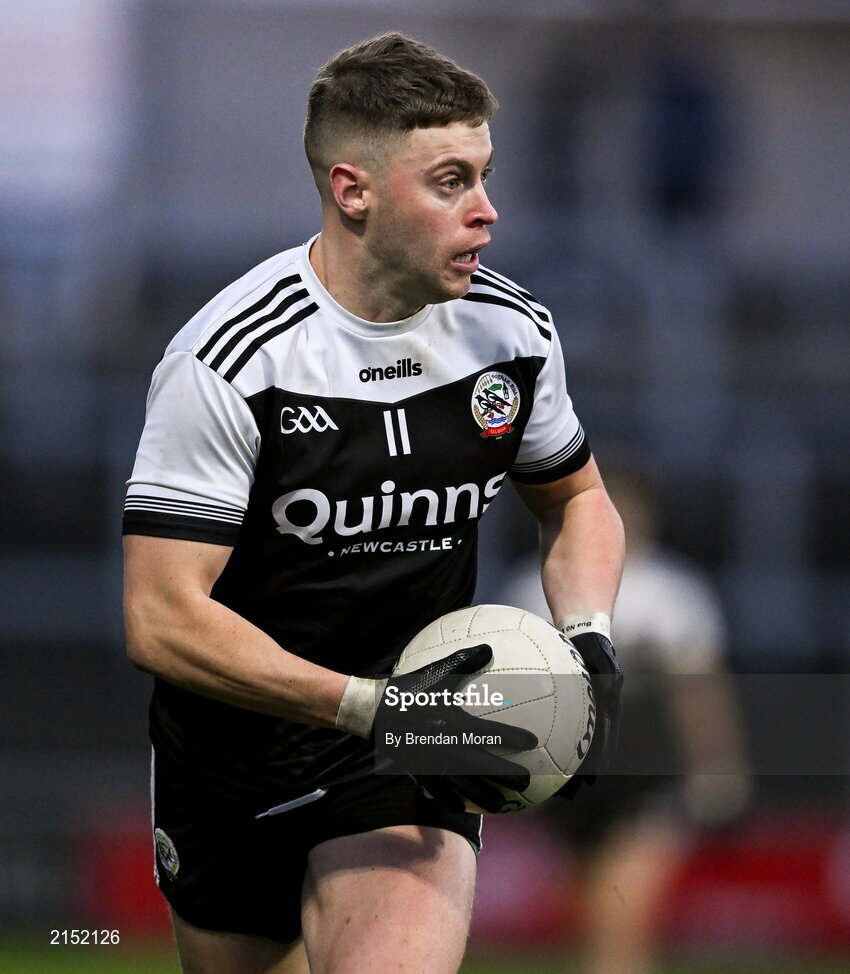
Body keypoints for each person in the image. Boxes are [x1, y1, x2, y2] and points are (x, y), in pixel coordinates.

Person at [122, 32, 624, 974]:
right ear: (353, 191)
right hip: (230, 759)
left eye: (484, 176)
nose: (487, 210)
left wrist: (590, 636)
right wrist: (364, 705)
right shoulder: (231, 361)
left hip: (409, 751)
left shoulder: (510, 333)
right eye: (450, 182)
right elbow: (160, 618)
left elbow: (578, 499)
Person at [497, 463, 750, 974]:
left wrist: (718, 766)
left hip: (646, 774)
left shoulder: (671, 592)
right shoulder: (533, 585)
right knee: (592, 922)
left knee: (622, 921)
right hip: (568, 778)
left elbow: (698, 691)